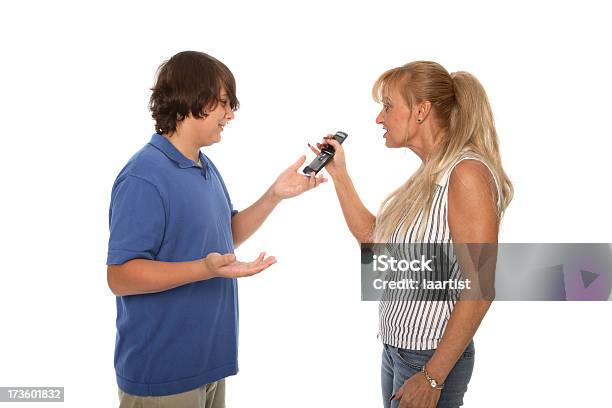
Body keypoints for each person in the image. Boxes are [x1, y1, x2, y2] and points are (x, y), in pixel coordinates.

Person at [106, 51, 326, 408]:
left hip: (208, 364)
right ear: (189, 100)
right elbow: (120, 276)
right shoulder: (143, 176)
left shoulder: (203, 166)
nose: (230, 114)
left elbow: (225, 235)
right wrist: (203, 269)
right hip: (162, 375)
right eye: (223, 103)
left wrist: (274, 196)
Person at [309, 61, 513, 407]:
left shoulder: (465, 174)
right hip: (398, 352)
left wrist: (433, 377)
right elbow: (374, 243)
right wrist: (339, 174)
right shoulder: (427, 176)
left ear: (421, 111)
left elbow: (480, 287)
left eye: (387, 106)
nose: (379, 118)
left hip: (429, 359)